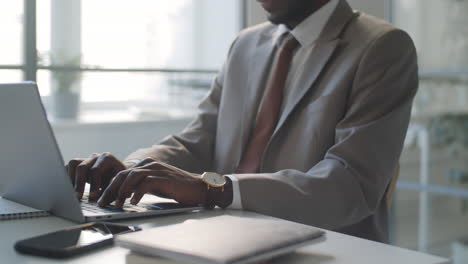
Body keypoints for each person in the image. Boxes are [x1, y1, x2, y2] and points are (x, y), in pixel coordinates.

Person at [67, 0, 418, 243]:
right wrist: (128, 170)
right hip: (219, 236)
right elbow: (199, 138)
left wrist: (213, 189)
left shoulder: (382, 47)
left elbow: (349, 185)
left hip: (321, 244)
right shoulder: (246, 44)